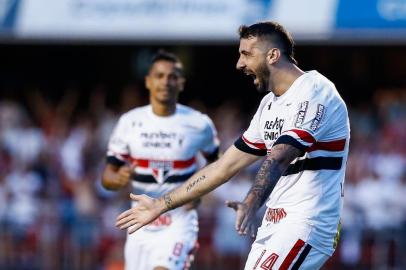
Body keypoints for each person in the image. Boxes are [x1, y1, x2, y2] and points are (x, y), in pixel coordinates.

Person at [116, 21, 350, 270]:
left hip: (305, 224)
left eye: (246, 54)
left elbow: (280, 156)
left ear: (272, 55)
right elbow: (224, 167)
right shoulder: (269, 105)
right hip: (275, 225)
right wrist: (161, 205)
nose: (240, 64)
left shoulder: (315, 91)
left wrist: (250, 202)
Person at [102, 50, 220, 270]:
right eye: (159, 75)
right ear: (148, 81)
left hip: (178, 221)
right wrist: (117, 179)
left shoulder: (199, 124)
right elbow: (107, 175)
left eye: (172, 76)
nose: (166, 81)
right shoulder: (129, 122)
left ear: (181, 83)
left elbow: (218, 164)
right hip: (139, 225)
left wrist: (199, 191)